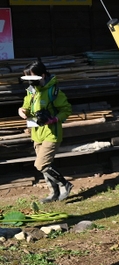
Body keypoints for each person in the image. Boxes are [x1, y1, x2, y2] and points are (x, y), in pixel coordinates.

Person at [17, 60, 73, 203]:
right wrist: (22, 111)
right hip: (36, 133)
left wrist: (53, 119)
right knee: (46, 166)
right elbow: (26, 106)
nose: (30, 81)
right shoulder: (31, 91)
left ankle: (65, 184)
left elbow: (66, 110)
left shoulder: (53, 92)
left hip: (51, 133)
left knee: (40, 164)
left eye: (32, 78)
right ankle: (52, 193)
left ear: (42, 75)